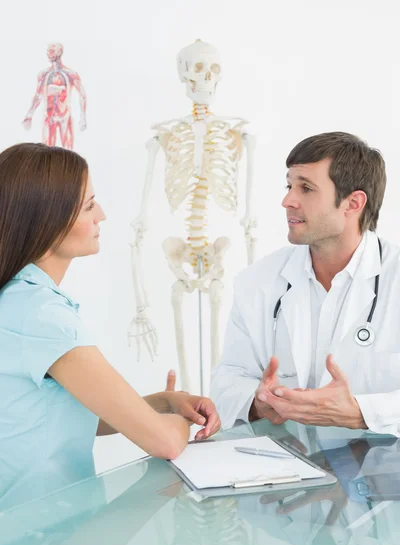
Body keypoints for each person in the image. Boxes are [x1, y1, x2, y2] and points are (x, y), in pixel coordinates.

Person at [0, 143, 220, 502]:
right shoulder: (39, 315)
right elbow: (165, 444)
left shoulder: (20, 300)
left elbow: (77, 417)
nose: (101, 214)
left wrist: (165, 402)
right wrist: (179, 424)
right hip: (39, 534)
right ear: (46, 221)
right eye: (88, 206)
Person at [211, 131, 400, 436]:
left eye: (306, 188)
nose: (288, 200)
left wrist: (361, 413)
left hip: (385, 473)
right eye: (289, 186)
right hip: (287, 468)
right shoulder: (257, 282)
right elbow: (227, 380)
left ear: (352, 203)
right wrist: (259, 402)